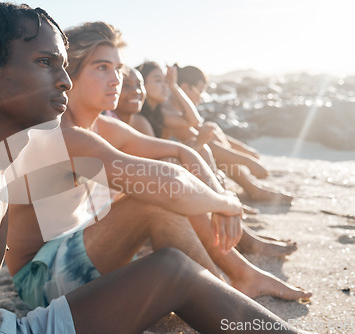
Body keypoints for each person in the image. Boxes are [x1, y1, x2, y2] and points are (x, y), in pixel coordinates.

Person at [0, 3, 307, 333]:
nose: (65, 80)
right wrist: (225, 199)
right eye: (46, 63)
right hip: (33, 292)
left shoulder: (1, 153)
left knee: (173, 271)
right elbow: (159, 181)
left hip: (11, 325)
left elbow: (167, 163)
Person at [6, 20, 310, 321]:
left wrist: (218, 196)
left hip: (80, 245)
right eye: (101, 68)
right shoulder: (62, 133)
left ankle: (239, 274)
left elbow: (181, 152)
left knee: (164, 179)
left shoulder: (101, 125)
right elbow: (171, 185)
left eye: (118, 68)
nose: (117, 79)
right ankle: (227, 300)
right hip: (40, 280)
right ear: (68, 75)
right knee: (154, 199)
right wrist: (227, 204)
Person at [113, 66, 298, 258]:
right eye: (158, 81)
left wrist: (173, 86)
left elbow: (194, 121)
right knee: (193, 154)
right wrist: (246, 160)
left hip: (159, 186)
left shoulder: (157, 112)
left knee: (202, 146)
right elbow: (157, 169)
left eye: (139, 85)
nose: (165, 87)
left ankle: (234, 220)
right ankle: (239, 231)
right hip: (148, 196)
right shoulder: (140, 120)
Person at [136, 61, 294, 204]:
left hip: (169, 162)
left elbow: (200, 127)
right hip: (160, 170)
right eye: (200, 92)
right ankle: (236, 194)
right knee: (204, 145)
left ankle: (238, 191)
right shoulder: (161, 109)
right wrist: (247, 161)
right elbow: (196, 127)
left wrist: (245, 151)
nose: (201, 98)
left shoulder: (160, 108)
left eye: (165, 82)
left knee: (209, 133)